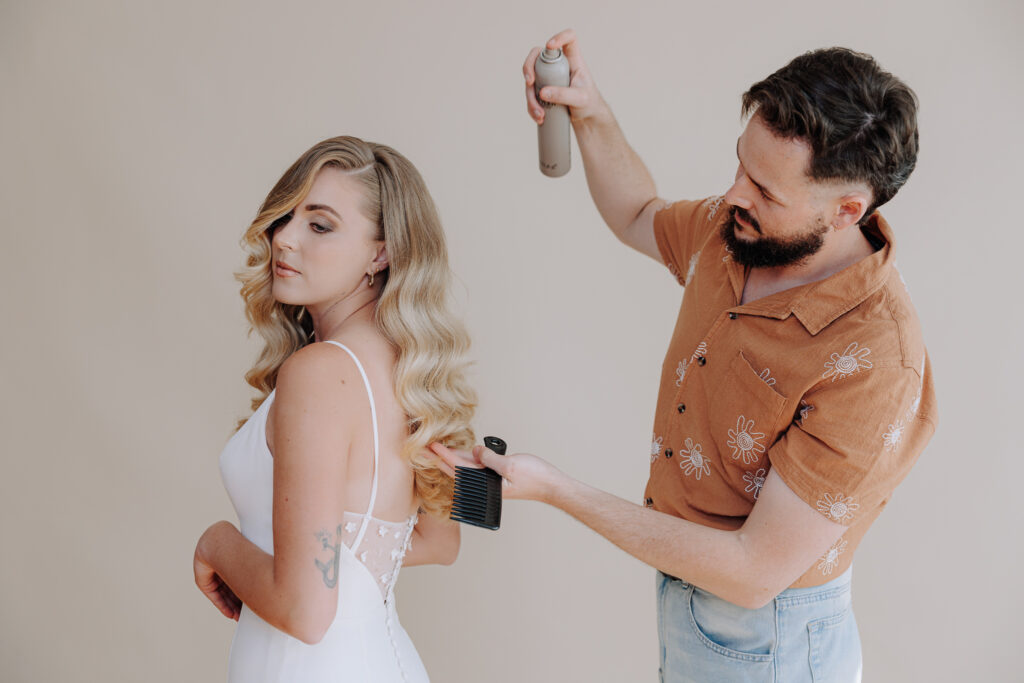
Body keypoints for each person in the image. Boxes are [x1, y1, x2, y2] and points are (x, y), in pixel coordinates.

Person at [431, 29, 935, 682]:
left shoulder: (874, 360)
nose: (732, 197)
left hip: (770, 638)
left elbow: (755, 572)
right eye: (739, 167)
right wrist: (590, 113)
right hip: (689, 601)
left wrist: (555, 489)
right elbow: (640, 212)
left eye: (764, 189)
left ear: (846, 211)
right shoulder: (739, 233)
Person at [193, 136, 476, 682]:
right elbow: (441, 542)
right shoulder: (416, 370)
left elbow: (305, 610)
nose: (284, 239)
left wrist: (217, 543)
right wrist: (322, 568)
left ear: (381, 252)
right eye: (285, 217)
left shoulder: (319, 373)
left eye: (319, 225)